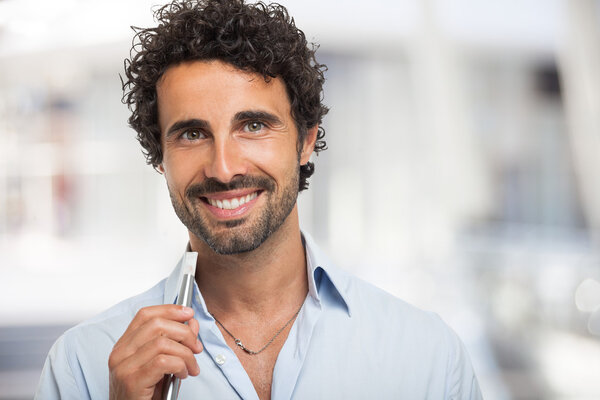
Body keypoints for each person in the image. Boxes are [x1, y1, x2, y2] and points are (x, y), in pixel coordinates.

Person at [36, 0, 483, 399]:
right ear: (160, 157)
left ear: (306, 142)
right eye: (192, 134)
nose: (224, 168)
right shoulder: (83, 366)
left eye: (253, 126)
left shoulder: (427, 359)